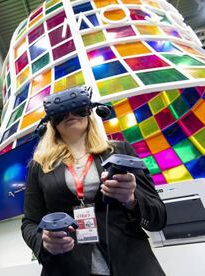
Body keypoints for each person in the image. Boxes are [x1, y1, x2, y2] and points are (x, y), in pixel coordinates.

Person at [21, 87, 167, 276]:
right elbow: (30, 222)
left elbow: (158, 216)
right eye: (61, 113)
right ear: (50, 123)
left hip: (129, 262)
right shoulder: (39, 166)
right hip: (67, 266)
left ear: (90, 112)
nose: (70, 115)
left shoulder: (120, 151)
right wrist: (44, 242)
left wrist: (131, 199)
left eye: (78, 109)